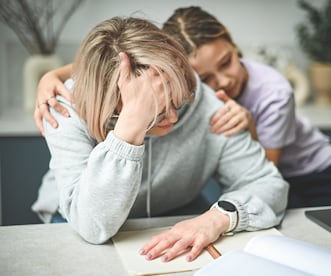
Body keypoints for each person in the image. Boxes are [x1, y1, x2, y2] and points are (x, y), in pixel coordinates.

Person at [34, 7, 331, 208]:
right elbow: (108, 61)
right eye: (204, 78)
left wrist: (248, 126)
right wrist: (55, 73)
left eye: (227, 63)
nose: (223, 83)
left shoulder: (270, 91)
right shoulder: (83, 102)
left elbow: (264, 173)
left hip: (313, 168)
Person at [31, 16, 289, 263]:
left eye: (178, 100)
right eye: (157, 111)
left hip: (172, 213)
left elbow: (268, 184)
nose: (173, 118)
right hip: (74, 217)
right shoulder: (62, 106)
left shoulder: (212, 108)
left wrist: (217, 218)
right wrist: (131, 127)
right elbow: (92, 226)